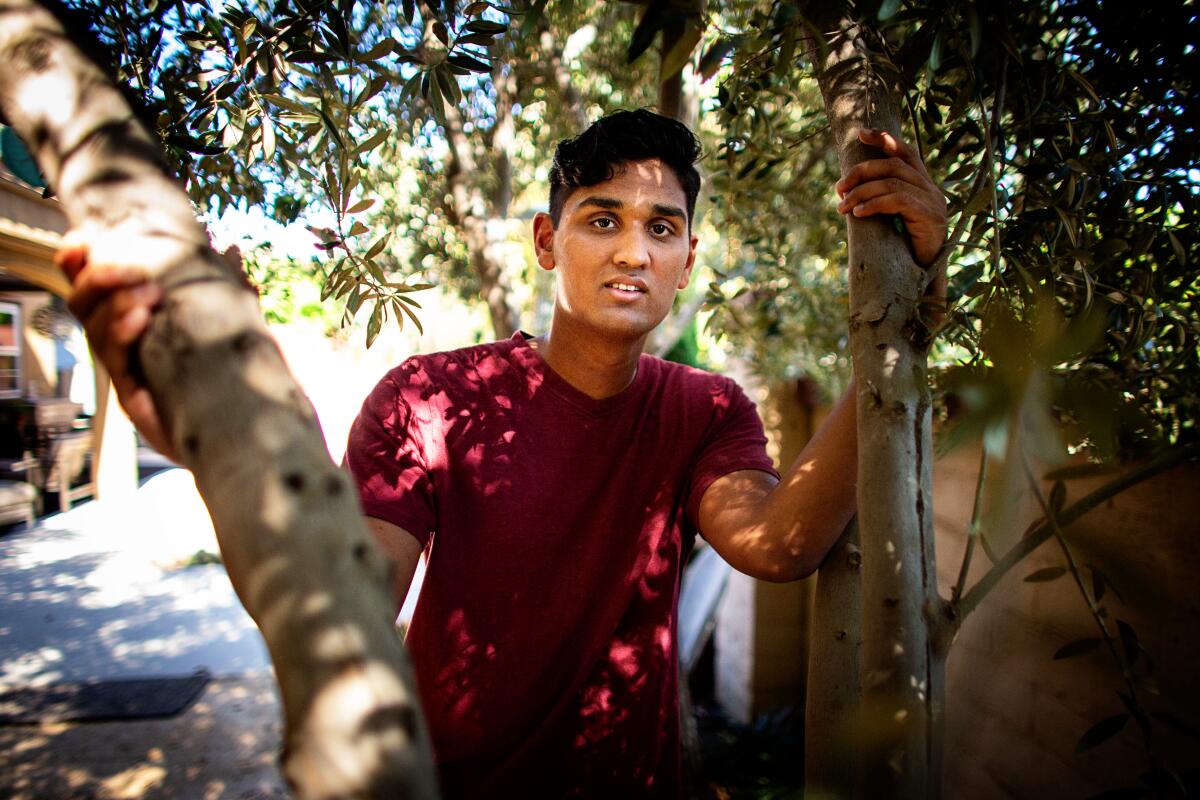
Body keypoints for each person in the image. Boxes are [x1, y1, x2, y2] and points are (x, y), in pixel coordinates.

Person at [60, 109, 947, 798]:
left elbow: (780, 543)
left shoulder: (704, 409)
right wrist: (231, 442)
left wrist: (914, 295)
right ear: (546, 241)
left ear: (687, 259)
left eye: (663, 228)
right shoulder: (430, 396)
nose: (633, 250)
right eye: (602, 219)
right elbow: (346, 599)